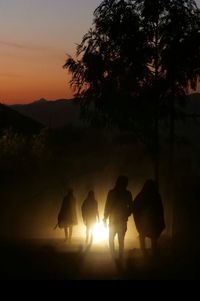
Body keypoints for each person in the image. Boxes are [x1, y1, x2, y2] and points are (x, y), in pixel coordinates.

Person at [103, 176, 133, 261]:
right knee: (121, 239)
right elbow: (131, 207)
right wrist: (126, 214)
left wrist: (105, 217)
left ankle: (113, 255)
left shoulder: (111, 193)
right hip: (122, 220)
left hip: (113, 219)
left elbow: (107, 206)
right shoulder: (127, 193)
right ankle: (120, 256)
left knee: (111, 238)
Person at [132, 179, 165, 255]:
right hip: (146, 221)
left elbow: (159, 208)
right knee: (147, 235)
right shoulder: (147, 196)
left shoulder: (152, 196)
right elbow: (135, 207)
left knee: (150, 236)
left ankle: (150, 251)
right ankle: (147, 252)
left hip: (151, 221)